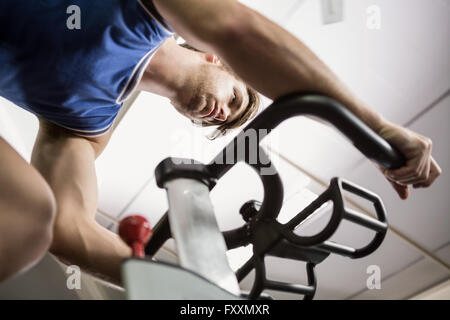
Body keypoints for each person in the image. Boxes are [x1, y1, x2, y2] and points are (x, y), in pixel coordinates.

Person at [0, 0, 441, 285]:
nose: (224, 113)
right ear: (218, 59)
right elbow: (235, 27)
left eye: (225, 121)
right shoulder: (147, 15)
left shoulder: (87, 127)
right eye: (236, 97)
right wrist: (375, 128)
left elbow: (64, 227)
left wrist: (184, 291)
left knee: (27, 222)